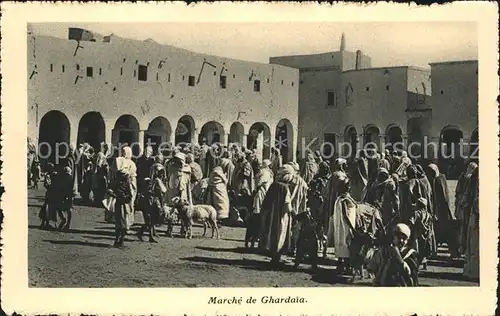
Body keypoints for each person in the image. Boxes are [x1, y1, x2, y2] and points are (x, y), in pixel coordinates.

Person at [258, 164, 297, 268]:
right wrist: (294, 213)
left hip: (271, 214)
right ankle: (276, 258)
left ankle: (274, 256)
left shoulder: (274, 185)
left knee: (273, 233)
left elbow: (266, 201)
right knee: (281, 234)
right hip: (282, 215)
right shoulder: (285, 188)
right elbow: (287, 205)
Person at [109, 146, 137, 248]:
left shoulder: (118, 163)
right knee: (123, 221)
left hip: (122, 201)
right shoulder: (130, 166)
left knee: (120, 221)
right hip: (124, 202)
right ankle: (119, 240)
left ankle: (119, 240)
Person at [320, 158, 348, 258]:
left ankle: (325, 251)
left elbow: (326, 190)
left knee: (330, 226)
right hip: (340, 203)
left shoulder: (334, 175)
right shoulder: (343, 176)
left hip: (332, 202)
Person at [427, 163, 455, 255]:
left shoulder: (440, 178)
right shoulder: (432, 179)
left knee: (445, 227)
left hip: (442, 208)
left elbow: (444, 195)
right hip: (436, 207)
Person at [332, 176, 357, 275]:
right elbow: (345, 215)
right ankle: (346, 268)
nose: (349, 187)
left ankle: (340, 267)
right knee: (346, 246)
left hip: (341, 227)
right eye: (348, 186)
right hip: (346, 227)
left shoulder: (341, 198)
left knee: (342, 246)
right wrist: (352, 228)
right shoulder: (344, 200)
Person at [247, 159, 274, 248]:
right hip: (262, 194)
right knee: (259, 215)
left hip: (263, 194)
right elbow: (260, 183)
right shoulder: (265, 173)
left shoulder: (266, 172)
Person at [136, 163, 167, 242]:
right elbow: (160, 191)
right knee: (149, 220)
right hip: (150, 201)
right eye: (161, 173)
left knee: (152, 221)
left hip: (154, 201)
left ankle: (143, 233)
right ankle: (149, 236)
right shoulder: (153, 181)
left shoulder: (157, 181)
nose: (162, 175)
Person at [455, 161, 478, 256]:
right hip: (467, 206)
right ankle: (463, 247)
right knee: (465, 227)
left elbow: (458, 191)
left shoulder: (464, 177)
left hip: (463, 204)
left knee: (462, 226)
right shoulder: (470, 178)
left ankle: (461, 246)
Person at [408, 197, 436, 269]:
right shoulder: (428, 215)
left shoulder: (416, 213)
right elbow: (430, 225)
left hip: (417, 234)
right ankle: (424, 264)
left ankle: (416, 266)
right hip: (426, 234)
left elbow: (412, 222)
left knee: (416, 250)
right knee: (424, 250)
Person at [463, 167, 479, 281]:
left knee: (473, 244)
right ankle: (473, 272)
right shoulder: (473, 183)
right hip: (475, 215)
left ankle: (471, 270)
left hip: (473, 215)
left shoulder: (472, 182)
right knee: (474, 244)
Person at [56, 166, 75, 231]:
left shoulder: (66, 178)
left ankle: (65, 221)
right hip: (68, 196)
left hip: (66, 196)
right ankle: (67, 223)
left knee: (63, 209)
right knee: (68, 210)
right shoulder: (70, 178)